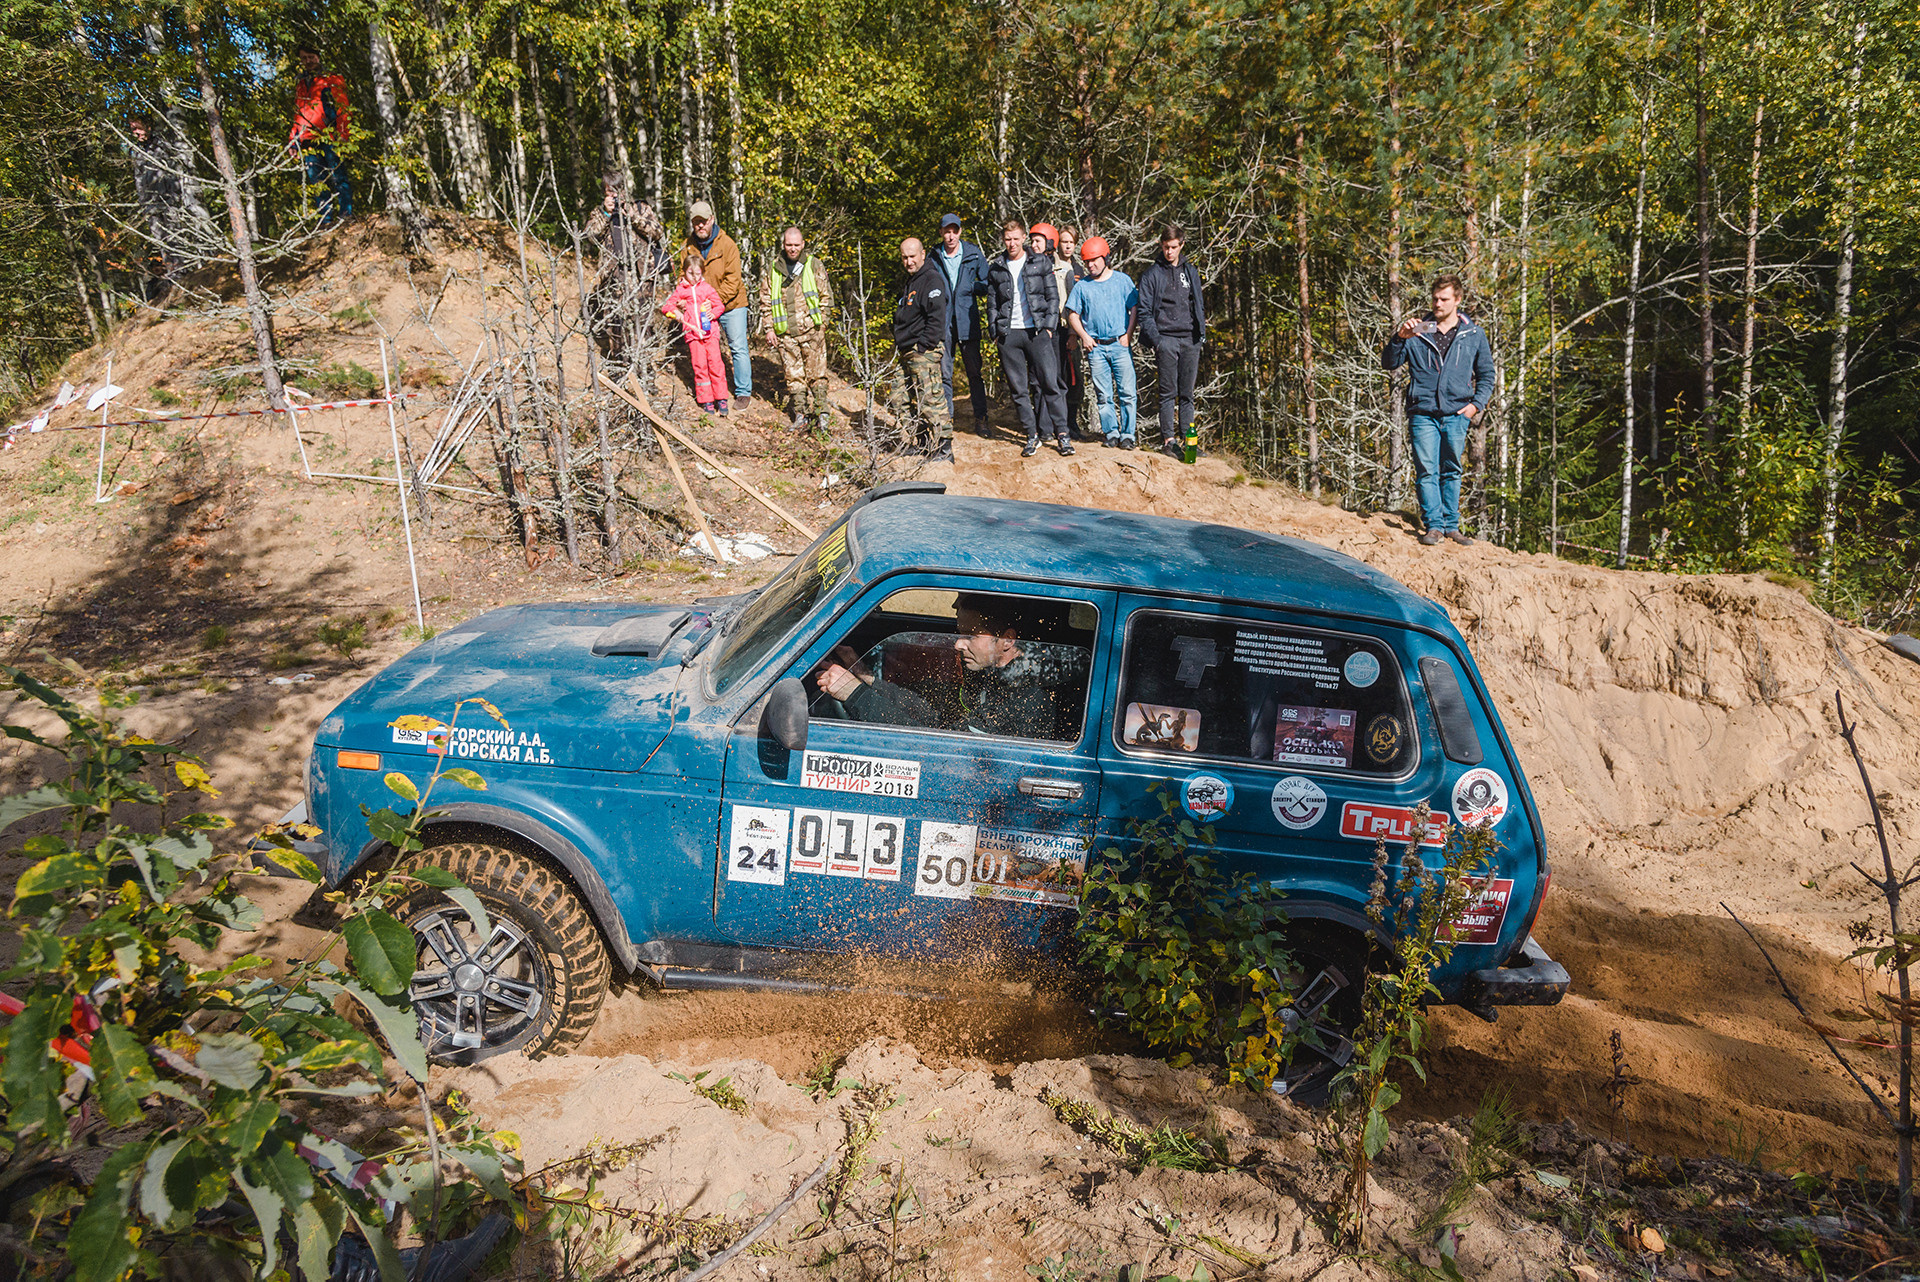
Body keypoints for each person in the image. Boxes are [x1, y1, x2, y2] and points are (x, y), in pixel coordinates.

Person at [813, 595, 1075, 739]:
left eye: (971, 635)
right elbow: (936, 719)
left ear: (1007, 640)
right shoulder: (995, 676)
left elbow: (935, 746)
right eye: (959, 633)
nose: (959, 644)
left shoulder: (1024, 698)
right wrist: (868, 679)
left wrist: (854, 693)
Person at [1382, 273, 1497, 546]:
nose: (1438, 303)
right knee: (1426, 470)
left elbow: (1487, 374)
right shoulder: (1418, 331)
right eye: (1435, 298)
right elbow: (1389, 362)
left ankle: (1451, 527)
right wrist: (1399, 337)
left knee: (1451, 469)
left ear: (1457, 300)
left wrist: (1475, 406)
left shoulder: (1473, 333)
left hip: (1458, 413)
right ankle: (1434, 526)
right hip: (1423, 412)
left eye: (1444, 299)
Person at [987, 219, 1069, 458]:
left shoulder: (1039, 261)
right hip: (1009, 335)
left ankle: (1062, 435)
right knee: (1019, 389)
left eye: (1016, 238)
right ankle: (1031, 435)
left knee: (1050, 384)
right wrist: (995, 331)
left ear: (1023, 237)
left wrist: (1049, 327)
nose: (1012, 244)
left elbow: (1052, 296)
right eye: (1007, 239)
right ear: (1003, 240)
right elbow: (992, 302)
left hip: (1037, 331)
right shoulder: (997, 267)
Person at [1136, 224, 1206, 457]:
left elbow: (1198, 302)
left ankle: (1189, 443)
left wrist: (1200, 334)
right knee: (1167, 392)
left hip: (1190, 339)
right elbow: (1144, 312)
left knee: (1187, 393)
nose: (1169, 252)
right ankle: (1169, 441)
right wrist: (1157, 341)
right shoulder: (1151, 275)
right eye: (1166, 247)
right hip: (1165, 339)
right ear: (1160, 246)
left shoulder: (1191, 272)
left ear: (1181, 245)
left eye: (1174, 247)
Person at [1065, 237, 1140, 449]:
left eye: (1094, 260)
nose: (1091, 265)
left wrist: (1128, 334)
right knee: (1103, 394)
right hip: (1096, 348)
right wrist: (1084, 337)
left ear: (1105, 257)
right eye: (1087, 261)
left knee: (1127, 392)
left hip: (1119, 344)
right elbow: (1072, 314)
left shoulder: (1122, 280)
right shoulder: (1082, 287)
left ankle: (1128, 435)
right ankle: (1111, 433)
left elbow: (1134, 308)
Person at [759, 226, 834, 431]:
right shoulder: (774, 269)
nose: (792, 249)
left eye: (796, 245)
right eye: (788, 245)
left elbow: (826, 297)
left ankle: (822, 415)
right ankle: (801, 415)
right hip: (786, 335)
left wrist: (823, 324)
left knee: (817, 375)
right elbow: (766, 301)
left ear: (803, 244)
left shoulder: (814, 265)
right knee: (794, 377)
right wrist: (769, 328)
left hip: (812, 332)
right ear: (783, 245)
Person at [583, 178, 667, 361]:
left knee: (644, 323)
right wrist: (606, 213)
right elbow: (590, 235)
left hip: (641, 276)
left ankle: (645, 371)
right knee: (616, 323)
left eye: (618, 191)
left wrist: (632, 216)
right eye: (609, 192)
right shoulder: (599, 212)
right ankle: (620, 369)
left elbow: (657, 232)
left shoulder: (640, 208)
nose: (615, 196)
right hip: (614, 277)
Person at [126, 114, 210, 292]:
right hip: (151, 204)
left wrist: (181, 193)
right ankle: (175, 277)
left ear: (147, 125)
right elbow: (139, 179)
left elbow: (178, 167)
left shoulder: (163, 144)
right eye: (132, 129)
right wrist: (144, 204)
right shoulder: (137, 151)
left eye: (138, 127)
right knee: (162, 241)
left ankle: (188, 272)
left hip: (171, 199)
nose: (136, 132)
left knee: (176, 235)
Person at [681, 201, 751, 403]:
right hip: (701, 308)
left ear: (712, 219)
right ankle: (710, 394)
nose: (700, 226)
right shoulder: (688, 247)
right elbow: (682, 275)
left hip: (731, 305)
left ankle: (743, 392)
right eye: (696, 222)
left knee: (737, 347)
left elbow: (733, 281)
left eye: (703, 221)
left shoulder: (727, 245)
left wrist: (712, 301)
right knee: (705, 349)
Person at [893, 238, 952, 460]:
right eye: (905, 257)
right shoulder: (911, 281)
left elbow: (937, 318)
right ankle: (923, 441)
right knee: (898, 397)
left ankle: (945, 447)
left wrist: (923, 346)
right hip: (906, 351)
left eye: (912, 256)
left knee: (931, 399)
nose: (908, 261)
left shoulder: (932, 279)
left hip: (923, 351)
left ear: (923, 254)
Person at [933, 214, 992, 433]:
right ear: (940, 232)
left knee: (975, 373)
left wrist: (971, 289)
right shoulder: (933, 256)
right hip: (944, 322)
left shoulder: (974, 254)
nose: (950, 236)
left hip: (968, 320)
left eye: (954, 231)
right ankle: (947, 421)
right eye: (946, 231)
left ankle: (981, 418)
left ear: (960, 231)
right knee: (944, 373)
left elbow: (987, 283)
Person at [289, 45, 352, 225]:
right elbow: (298, 113)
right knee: (316, 181)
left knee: (338, 175)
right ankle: (325, 221)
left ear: (318, 57)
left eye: (311, 57)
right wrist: (293, 141)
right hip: (307, 138)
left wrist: (343, 133)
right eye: (304, 58)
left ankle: (346, 215)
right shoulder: (301, 83)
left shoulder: (331, 78)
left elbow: (343, 107)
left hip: (330, 135)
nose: (308, 61)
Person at [660, 258, 729, 414]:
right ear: (684, 271)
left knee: (716, 363)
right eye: (691, 273)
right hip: (693, 334)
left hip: (710, 332)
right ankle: (706, 400)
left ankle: (722, 398)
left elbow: (719, 305)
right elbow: (667, 307)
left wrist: (714, 313)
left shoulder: (707, 288)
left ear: (702, 272)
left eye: (698, 273)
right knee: (700, 365)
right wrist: (676, 312)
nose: (695, 277)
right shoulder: (681, 290)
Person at [1055, 225, 1090, 439]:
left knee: (1074, 379)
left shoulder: (1079, 270)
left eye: (1071, 242)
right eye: (1064, 241)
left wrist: (1074, 334)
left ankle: (1071, 422)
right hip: (1054, 328)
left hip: (1073, 332)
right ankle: (1055, 422)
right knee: (1055, 377)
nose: (1067, 246)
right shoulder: (1051, 265)